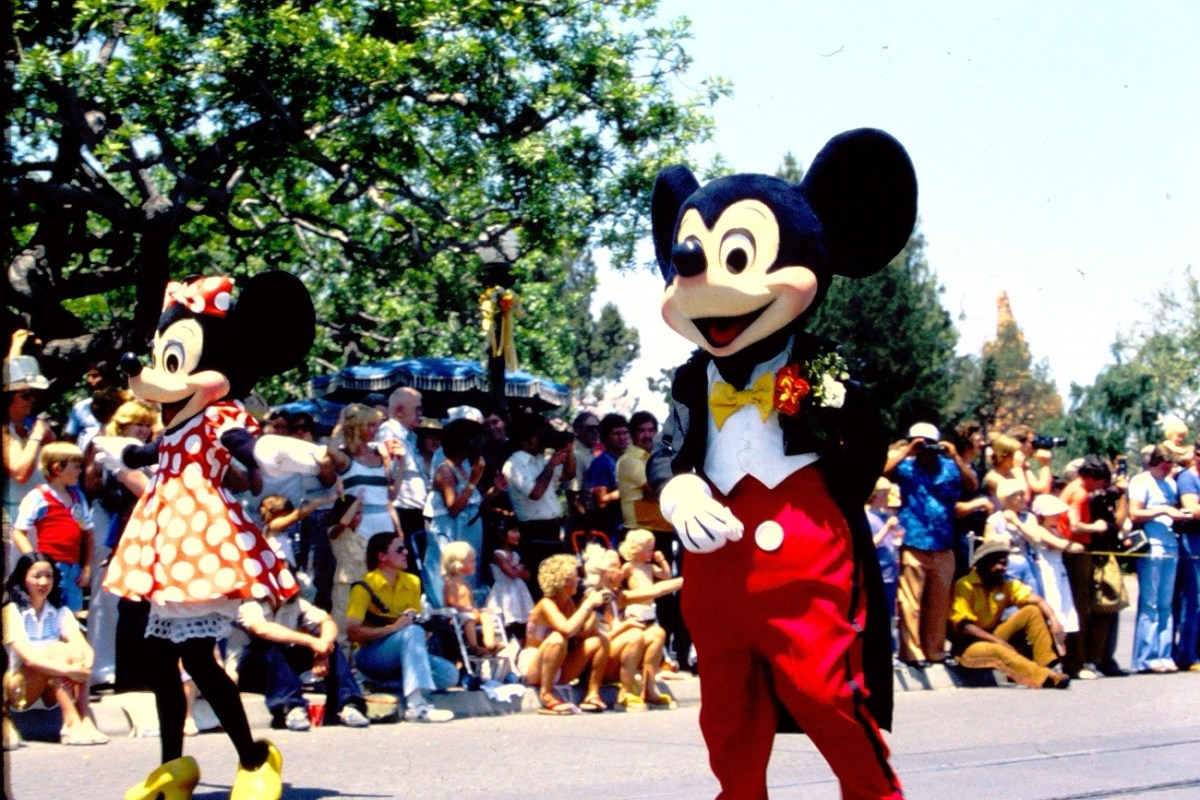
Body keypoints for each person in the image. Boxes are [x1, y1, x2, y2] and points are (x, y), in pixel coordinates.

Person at [885, 421, 975, 666]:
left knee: (938, 603)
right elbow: (881, 472)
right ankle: (912, 653)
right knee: (910, 603)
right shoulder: (906, 467)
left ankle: (935, 651)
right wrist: (907, 450)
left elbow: (972, 485)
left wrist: (955, 456)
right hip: (914, 541)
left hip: (943, 544)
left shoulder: (949, 467)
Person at [344, 532, 457, 722]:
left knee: (449, 675)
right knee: (412, 632)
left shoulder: (412, 582)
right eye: (399, 549)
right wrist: (395, 628)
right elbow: (353, 632)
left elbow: (411, 626)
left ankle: (383, 685)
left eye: (404, 548)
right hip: (370, 655)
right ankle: (416, 705)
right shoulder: (363, 587)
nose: (406, 552)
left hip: (402, 652)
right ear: (382, 556)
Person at [3, 553, 109, 745]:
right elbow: (29, 659)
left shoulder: (60, 612)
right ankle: (70, 722)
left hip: (52, 685)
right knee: (59, 651)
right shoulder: (12, 611)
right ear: (23, 578)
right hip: (20, 687)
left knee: (76, 652)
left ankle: (84, 719)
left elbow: (84, 648)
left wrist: (84, 667)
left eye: (48, 576)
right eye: (36, 576)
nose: (43, 582)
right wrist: (70, 670)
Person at [235, 592, 370, 731]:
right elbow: (262, 629)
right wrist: (312, 642)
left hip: (283, 666)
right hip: (252, 669)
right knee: (270, 643)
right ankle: (290, 708)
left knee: (330, 644)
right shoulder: (249, 604)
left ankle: (348, 705)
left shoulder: (295, 603)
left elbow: (327, 620)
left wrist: (322, 650)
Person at [948, 540, 1070, 689]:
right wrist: (998, 642)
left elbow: (1037, 600)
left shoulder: (1003, 584)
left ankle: (1049, 664)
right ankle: (1046, 678)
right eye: (1000, 564)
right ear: (985, 563)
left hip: (993, 635)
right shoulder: (964, 585)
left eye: (1005, 564)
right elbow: (965, 627)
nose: (1004, 569)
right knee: (998, 650)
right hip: (969, 647)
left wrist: (1054, 621)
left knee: (1031, 611)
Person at [1058, 454, 1128, 677]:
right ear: (1091, 477)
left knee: (1083, 607)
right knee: (1080, 608)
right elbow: (1075, 525)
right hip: (1078, 552)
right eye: (1100, 481)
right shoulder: (1079, 493)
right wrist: (1097, 527)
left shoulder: (1074, 489)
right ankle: (1077, 664)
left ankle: (1082, 660)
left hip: (1079, 551)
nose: (1101, 487)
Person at [517, 554, 609, 714]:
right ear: (563, 581)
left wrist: (591, 606)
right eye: (575, 576)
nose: (579, 580)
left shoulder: (568, 603)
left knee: (598, 640)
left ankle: (592, 693)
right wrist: (587, 605)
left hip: (558, 665)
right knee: (557, 638)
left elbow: (581, 633)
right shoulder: (546, 603)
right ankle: (546, 694)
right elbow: (566, 629)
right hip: (535, 665)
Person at [1127, 444, 1190, 673]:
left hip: (1170, 545)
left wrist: (1178, 514)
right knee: (1150, 603)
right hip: (1151, 546)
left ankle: (1163, 653)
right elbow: (1135, 512)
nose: (1168, 468)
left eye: (1171, 464)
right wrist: (1163, 511)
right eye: (1165, 463)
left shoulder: (1170, 484)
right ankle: (1145, 656)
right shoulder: (1141, 481)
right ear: (1155, 461)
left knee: (1165, 603)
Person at [12, 443, 95, 613]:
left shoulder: (77, 497)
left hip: (73, 568)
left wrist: (87, 567)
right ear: (58, 468)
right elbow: (19, 533)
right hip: (50, 568)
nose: (80, 471)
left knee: (71, 614)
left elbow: (88, 534)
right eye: (76, 467)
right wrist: (35, 561)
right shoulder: (37, 497)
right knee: (47, 610)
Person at [502, 412, 572, 589]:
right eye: (539, 435)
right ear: (528, 439)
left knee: (558, 582)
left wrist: (566, 451)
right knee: (540, 584)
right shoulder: (513, 464)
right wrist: (550, 465)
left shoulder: (539, 460)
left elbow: (567, 474)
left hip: (552, 528)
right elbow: (535, 492)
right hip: (533, 531)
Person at [423, 412, 485, 608]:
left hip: (469, 529)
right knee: (449, 574)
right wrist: (474, 481)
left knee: (468, 571)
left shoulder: (464, 467)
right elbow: (453, 508)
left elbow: (472, 501)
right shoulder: (445, 471)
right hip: (450, 530)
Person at [3, 339, 55, 565]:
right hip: (15, 520)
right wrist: (36, 436)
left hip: (41, 517)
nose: (32, 400)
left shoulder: (27, 426)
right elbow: (20, 471)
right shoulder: (5, 432)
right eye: (25, 395)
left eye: (33, 394)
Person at [616, 528, 683, 707]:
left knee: (658, 637)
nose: (651, 552)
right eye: (647, 549)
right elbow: (617, 580)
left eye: (652, 548)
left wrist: (662, 561)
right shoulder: (629, 566)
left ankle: (650, 686)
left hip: (649, 609)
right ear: (634, 549)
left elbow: (666, 576)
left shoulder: (649, 567)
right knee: (636, 640)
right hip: (634, 607)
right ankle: (627, 688)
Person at [328, 403, 399, 538]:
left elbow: (392, 494)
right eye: (371, 425)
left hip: (385, 520)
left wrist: (401, 463)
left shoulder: (380, 455)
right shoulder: (346, 458)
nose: (376, 429)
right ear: (357, 427)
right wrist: (341, 421)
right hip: (360, 521)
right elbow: (331, 451)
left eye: (376, 425)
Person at [377, 387, 427, 552]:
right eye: (417, 409)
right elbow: (387, 476)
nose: (420, 413)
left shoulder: (410, 436)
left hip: (415, 512)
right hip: (401, 513)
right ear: (399, 411)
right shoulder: (389, 434)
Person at [440, 541, 498, 655]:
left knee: (486, 615)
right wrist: (466, 609)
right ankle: (474, 646)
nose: (475, 563)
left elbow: (470, 601)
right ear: (459, 565)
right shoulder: (451, 583)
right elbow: (450, 601)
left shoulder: (465, 583)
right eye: (471, 561)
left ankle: (490, 643)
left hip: (468, 613)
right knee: (469, 619)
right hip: (456, 616)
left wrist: (474, 609)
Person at [484, 522, 535, 641]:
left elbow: (527, 575)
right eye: (514, 531)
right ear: (502, 535)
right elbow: (511, 573)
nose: (518, 535)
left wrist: (519, 569)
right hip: (504, 591)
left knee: (523, 620)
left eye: (518, 531)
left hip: (519, 590)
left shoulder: (516, 554)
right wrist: (518, 568)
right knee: (508, 619)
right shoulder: (498, 554)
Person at [1174, 440, 1200, 671]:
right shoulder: (1187, 478)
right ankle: (1187, 654)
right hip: (1192, 542)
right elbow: (1192, 508)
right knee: (1194, 600)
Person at [586, 413, 631, 541]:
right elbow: (601, 501)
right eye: (616, 433)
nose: (622, 437)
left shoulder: (630, 460)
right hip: (611, 532)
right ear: (606, 437)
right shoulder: (600, 463)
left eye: (625, 432)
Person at [566, 412, 601, 533]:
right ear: (578, 431)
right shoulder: (576, 455)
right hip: (582, 522)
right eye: (591, 429)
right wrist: (588, 521)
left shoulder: (593, 453)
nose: (595, 432)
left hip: (595, 517)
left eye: (598, 428)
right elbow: (573, 496)